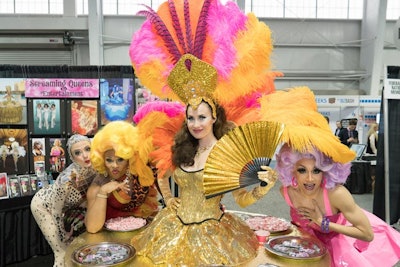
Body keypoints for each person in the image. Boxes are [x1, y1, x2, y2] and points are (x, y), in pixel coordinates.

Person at [273, 143, 400, 267]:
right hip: (306, 245)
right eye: (302, 170)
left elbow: (367, 234)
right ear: (292, 171)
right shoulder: (287, 192)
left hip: (338, 241)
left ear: (325, 171)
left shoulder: (336, 194)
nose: (310, 179)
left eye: (316, 170)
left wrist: (322, 222)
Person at [31, 134, 97, 267]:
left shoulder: (95, 167)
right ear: (72, 157)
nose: (85, 155)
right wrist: (63, 233)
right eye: (78, 152)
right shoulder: (66, 180)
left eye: (87, 149)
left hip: (68, 206)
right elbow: (56, 211)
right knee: (62, 251)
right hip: (43, 205)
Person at [85, 121, 159, 234]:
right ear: (101, 160)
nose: (114, 166)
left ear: (129, 158)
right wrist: (103, 191)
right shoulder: (98, 185)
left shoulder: (142, 173)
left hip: (142, 230)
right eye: (109, 160)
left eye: (120, 159)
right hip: (111, 235)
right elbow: (92, 228)